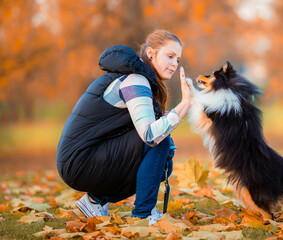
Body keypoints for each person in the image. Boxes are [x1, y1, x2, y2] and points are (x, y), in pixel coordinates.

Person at [56, 30, 193, 224]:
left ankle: (96, 201)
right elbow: (150, 136)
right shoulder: (136, 80)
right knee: (160, 142)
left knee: (164, 162)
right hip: (80, 161)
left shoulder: (141, 79)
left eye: (178, 59)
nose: (174, 64)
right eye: (170, 56)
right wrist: (185, 104)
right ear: (151, 53)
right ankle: (144, 214)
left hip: (81, 159)